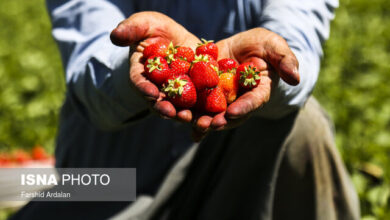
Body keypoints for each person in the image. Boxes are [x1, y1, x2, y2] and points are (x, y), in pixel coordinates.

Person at [11, 0, 360, 219]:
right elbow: (91, 71)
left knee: (304, 124)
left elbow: (297, 45)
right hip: (112, 185)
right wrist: (138, 65)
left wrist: (264, 73)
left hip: (236, 177)